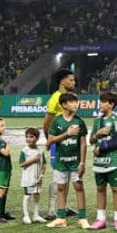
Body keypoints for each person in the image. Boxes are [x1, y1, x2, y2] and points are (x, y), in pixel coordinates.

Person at [45, 91, 89, 229]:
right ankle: (61, 218)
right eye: (72, 102)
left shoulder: (79, 121)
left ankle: (82, 218)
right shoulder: (57, 121)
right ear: (64, 105)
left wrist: (82, 162)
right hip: (61, 161)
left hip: (76, 161)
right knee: (61, 188)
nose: (76, 104)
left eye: (76, 101)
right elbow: (50, 140)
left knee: (78, 187)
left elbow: (83, 143)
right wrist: (67, 134)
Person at [42, 69, 77, 218]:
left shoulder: (70, 98)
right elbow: (47, 123)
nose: (73, 82)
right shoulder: (56, 98)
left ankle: (64, 206)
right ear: (62, 81)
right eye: (71, 80)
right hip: (59, 143)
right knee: (58, 175)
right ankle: (51, 210)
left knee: (67, 175)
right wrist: (50, 141)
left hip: (70, 143)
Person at [89, 91, 117, 232]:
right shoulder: (97, 121)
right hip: (98, 162)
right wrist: (97, 134)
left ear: (111, 104)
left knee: (116, 189)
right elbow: (91, 140)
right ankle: (100, 219)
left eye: (103, 102)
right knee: (100, 189)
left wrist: (102, 148)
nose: (100, 104)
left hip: (113, 161)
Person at [19, 127, 46, 224]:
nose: (28, 139)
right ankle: (26, 216)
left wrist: (41, 176)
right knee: (27, 195)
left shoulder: (40, 151)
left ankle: (36, 215)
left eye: (31, 137)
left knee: (37, 194)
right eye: (27, 137)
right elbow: (22, 164)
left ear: (37, 138)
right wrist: (33, 159)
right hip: (28, 178)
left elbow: (44, 164)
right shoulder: (24, 151)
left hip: (37, 178)